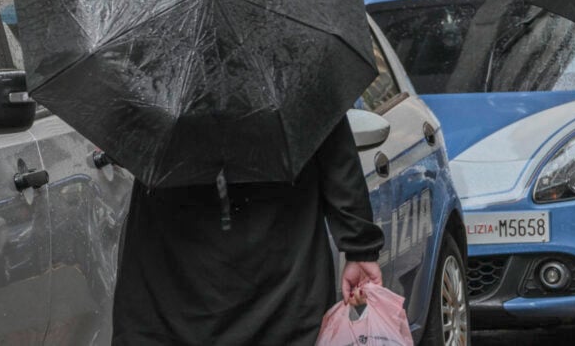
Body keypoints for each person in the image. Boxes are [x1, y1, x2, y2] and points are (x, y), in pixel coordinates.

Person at [112, 116, 385, 345]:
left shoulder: (151, 70)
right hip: (282, 282)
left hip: (171, 286)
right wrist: (360, 248)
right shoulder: (296, 67)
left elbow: (121, 144)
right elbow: (336, 156)